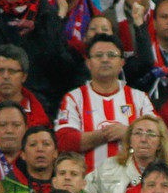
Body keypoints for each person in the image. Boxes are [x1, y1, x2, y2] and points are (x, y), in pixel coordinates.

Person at [55, 34, 155, 173]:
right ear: (88, 63)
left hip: (133, 185)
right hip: (88, 185)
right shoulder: (73, 98)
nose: (105, 59)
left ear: (122, 62)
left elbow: (158, 136)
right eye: (99, 55)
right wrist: (105, 134)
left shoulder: (140, 98)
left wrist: (128, 133)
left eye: (111, 55)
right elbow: (64, 141)